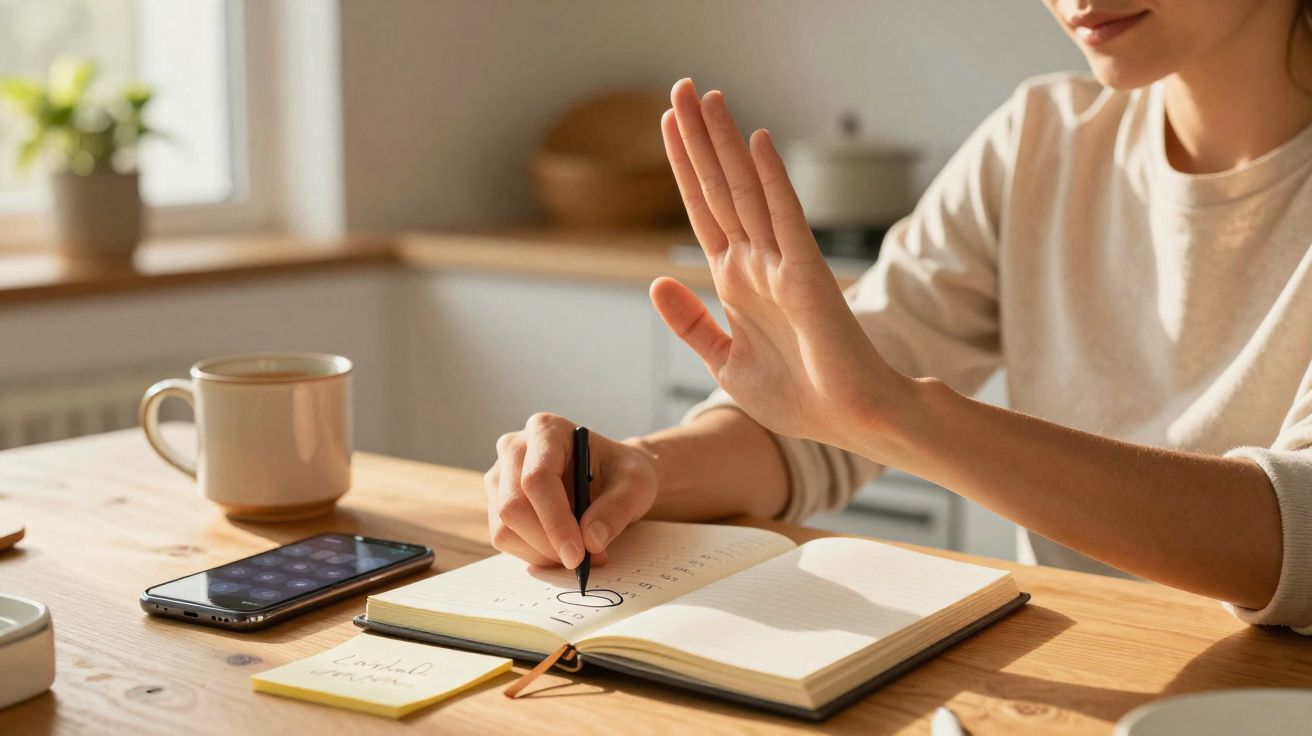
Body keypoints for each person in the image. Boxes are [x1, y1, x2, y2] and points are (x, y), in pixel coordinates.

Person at [484, 0, 1312, 631]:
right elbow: (818, 415)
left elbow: (1299, 537)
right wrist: (642, 474)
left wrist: (901, 414)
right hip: (1087, 667)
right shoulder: (1040, 140)